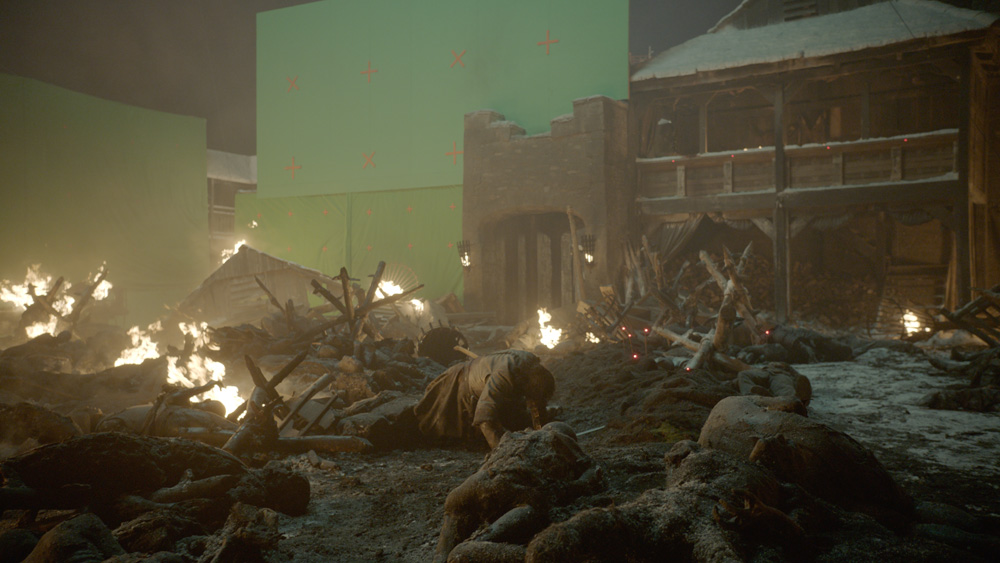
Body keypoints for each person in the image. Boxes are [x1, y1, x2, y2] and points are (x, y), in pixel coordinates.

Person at [412, 349, 555, 448]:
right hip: (460, 383)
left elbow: (537, 402)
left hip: (481, 380)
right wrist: (501, 450)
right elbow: (484, 416)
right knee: (440, 428)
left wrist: (540, 431)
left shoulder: (532, 366)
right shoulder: (504, 375)